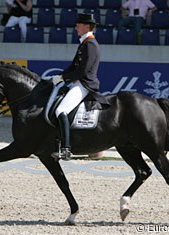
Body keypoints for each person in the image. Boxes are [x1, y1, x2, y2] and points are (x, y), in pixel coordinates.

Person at [51, 13, 110, 160]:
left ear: (87, 26)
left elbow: (83, 70)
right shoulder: (84, 43)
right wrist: (59, 77)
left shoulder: (90, 44)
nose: (76, 26)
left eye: (79, 24)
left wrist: (64, 78)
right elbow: (73, 66)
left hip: (84, 84)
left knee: (61, 110)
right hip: (77, 82)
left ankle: (66, 148)